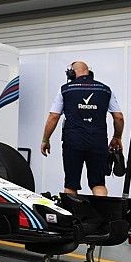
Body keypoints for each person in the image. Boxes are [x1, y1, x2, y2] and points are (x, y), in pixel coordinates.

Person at [41, 61, 124, 196]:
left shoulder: (65, 89)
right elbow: (119, 117)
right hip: (98, 142)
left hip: (73, 142)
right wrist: (117, 137)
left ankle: (72, 216)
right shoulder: (105, 89)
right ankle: (102, 216)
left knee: (70, 185)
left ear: (72, 73)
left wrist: (46, 139)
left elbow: (53, 117)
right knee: (98, 184)